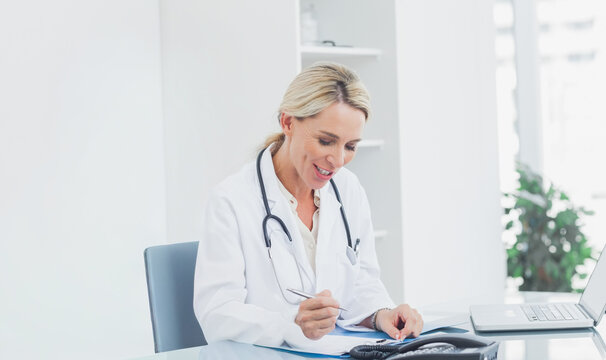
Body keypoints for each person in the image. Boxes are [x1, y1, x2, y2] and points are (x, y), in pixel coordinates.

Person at [193, 62, 423, 347]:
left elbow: (362, 282)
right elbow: (217, 314)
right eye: (327, 141)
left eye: (350, 146)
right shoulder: (231, 200)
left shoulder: (347, 189)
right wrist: (290, 323)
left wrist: (382, 314)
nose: (338, 161)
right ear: (288, 123)